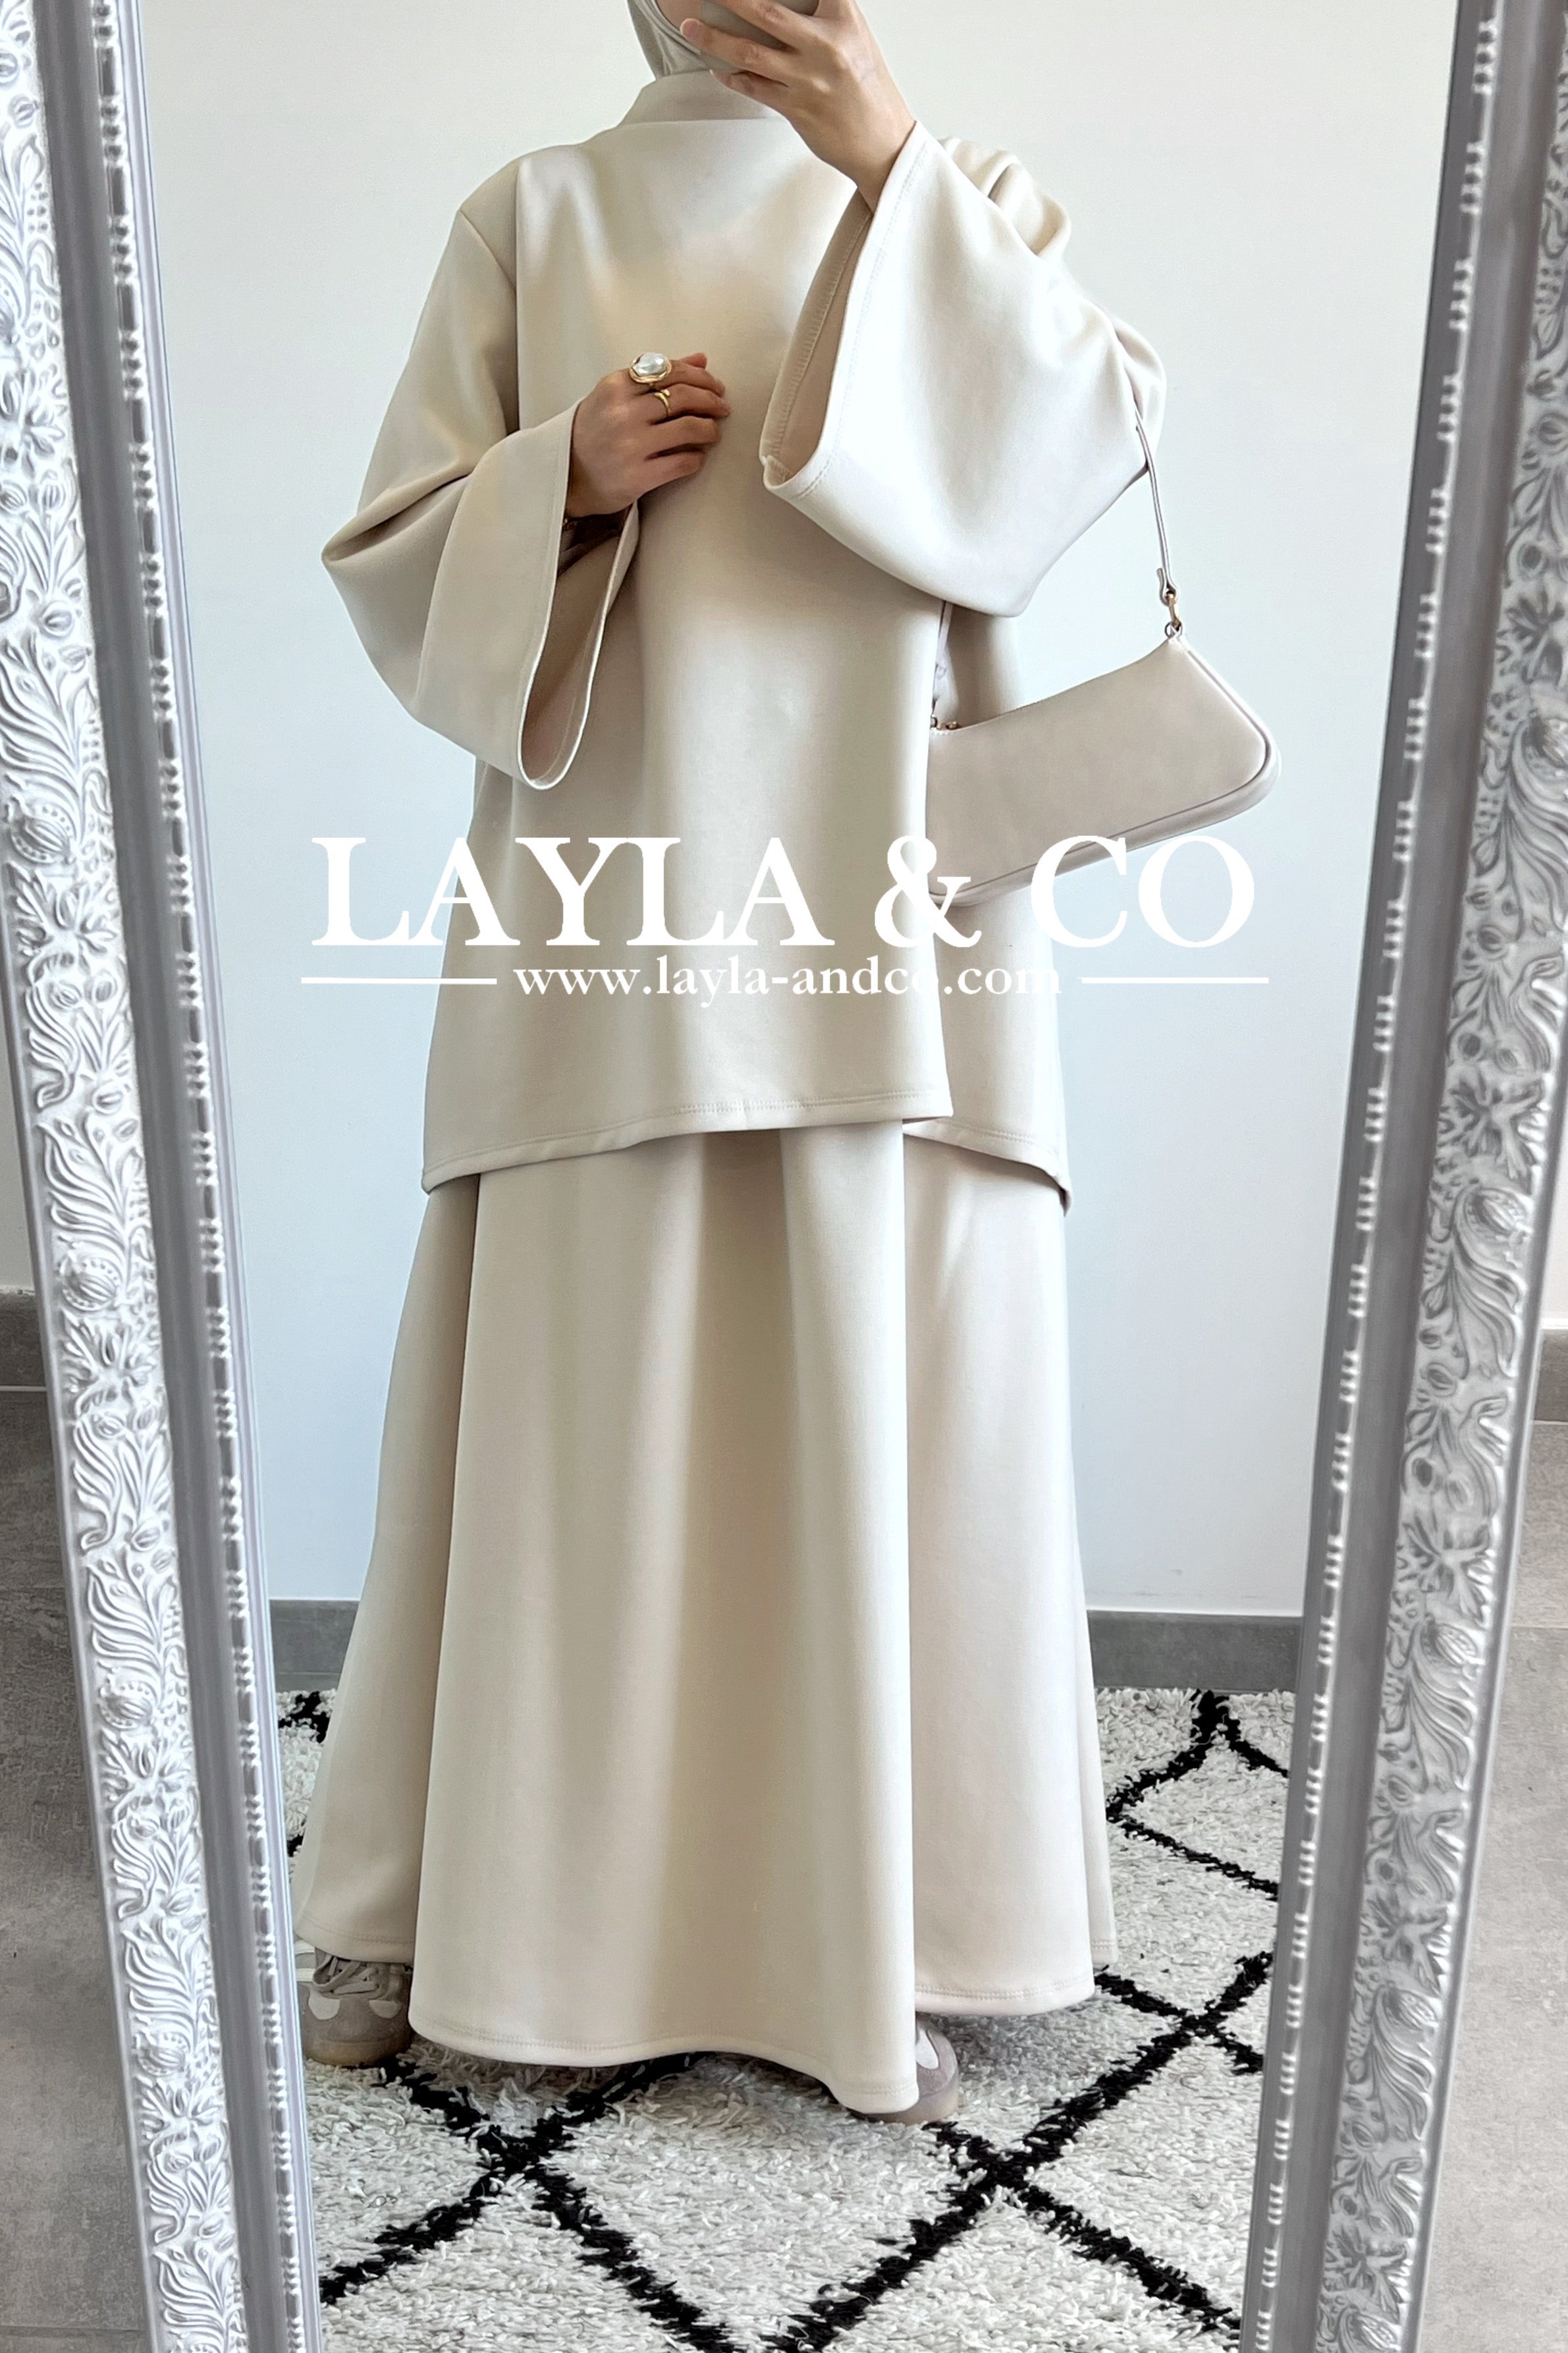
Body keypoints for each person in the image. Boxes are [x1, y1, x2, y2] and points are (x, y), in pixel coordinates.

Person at [291, 0, 1164, 2124]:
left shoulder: (964, 195)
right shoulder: (536, 214)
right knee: (574, 1395)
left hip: (901, 914)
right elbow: (397, 566)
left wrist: (895, 168)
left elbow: (1083, 455)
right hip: (621, 908)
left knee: (884, 1385)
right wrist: (559, 484)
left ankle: (904, 1926)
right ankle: (454, 1902)